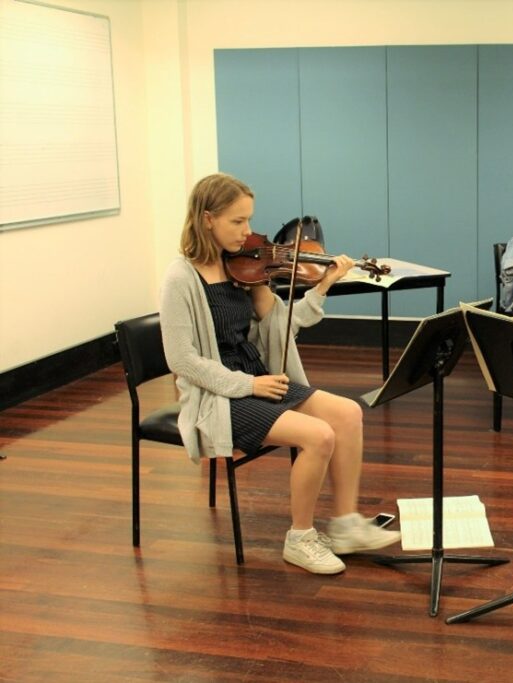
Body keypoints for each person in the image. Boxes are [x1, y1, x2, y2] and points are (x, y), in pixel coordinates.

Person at [160, 173, 400, 575]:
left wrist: (322, 287)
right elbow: (182, 361)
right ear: (206, 219)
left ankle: (344, 525)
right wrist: (247, 385)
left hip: (259, 378)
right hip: (218, 396)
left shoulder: (241, 268)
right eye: (237, 222)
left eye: (249, 220)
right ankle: (300, 538)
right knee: (319, 435)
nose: (248, 232)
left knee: (348, 414)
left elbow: (282, 325)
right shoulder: (180, 279)